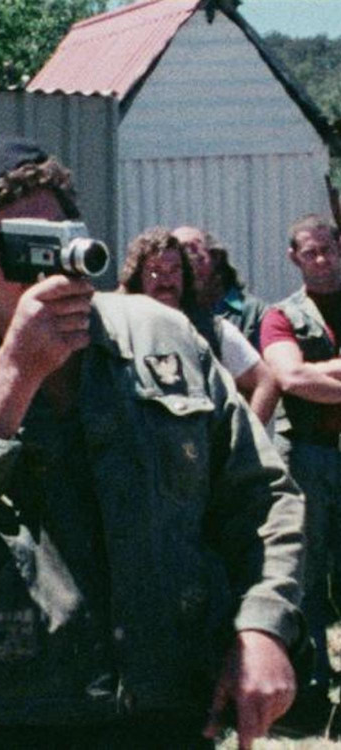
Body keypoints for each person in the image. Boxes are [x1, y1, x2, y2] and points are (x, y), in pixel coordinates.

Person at [0, 134, 306, 750]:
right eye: (17, 250)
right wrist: (14, 373)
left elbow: (260, 497)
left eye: (60, 239)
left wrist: (262, 626)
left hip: (168, 704)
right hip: (9, 717)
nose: (50, 268)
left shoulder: (162, 336)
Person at [261, 213, 341, 701]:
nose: (321, 260)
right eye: (310, 252)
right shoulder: (281, 316)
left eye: (328, 249)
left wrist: (321, 373)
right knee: (305, 572)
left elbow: (307, 376)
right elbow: (290, 378)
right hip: (307, 457)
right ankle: (311, 684)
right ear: (294, 258)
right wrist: (312, 375)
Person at [118, 227, 278, 426]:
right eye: (155, 271)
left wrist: (244, 437)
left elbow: (266, 382)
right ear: (137, 277)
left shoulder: (213, 331)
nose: (166, 281)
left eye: (174, 270)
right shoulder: (119, 331)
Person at [172, 226, 268, 350]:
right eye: (182, 265)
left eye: (198, 260)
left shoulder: (252, 312)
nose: (192, 270)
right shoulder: (168, 313)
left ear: (216, 258)